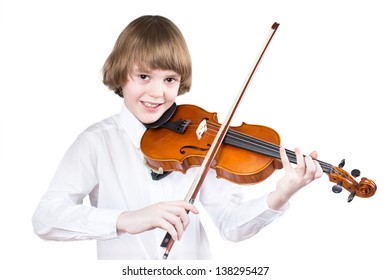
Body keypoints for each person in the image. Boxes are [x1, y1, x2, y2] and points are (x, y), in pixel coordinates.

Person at [32, 15, 323, 260]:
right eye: (144, 77)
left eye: (169, 79)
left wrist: (281, 193)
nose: (158, 93)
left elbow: (231, 226)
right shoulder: (97, 142)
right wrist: (125, 220)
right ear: (120, 75)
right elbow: (45, 218)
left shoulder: (201, 141)